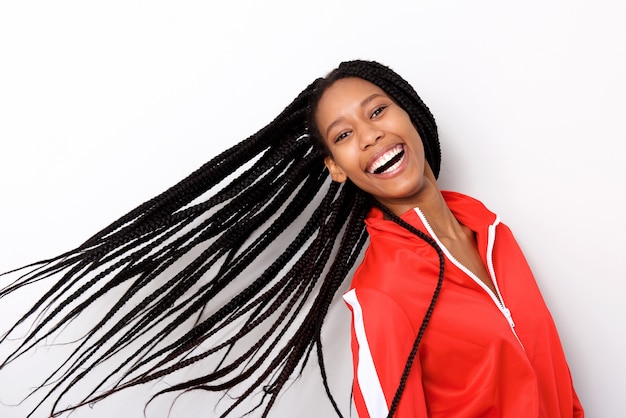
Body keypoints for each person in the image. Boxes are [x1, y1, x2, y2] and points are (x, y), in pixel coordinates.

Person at [0, 60, 582, 417]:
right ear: (337, 168)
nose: (372, 136)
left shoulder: (495, 232)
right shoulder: (383, 296)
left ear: (410, 113)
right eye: (345, 134)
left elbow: (559, 382)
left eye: (378, 111)